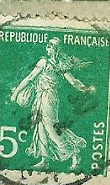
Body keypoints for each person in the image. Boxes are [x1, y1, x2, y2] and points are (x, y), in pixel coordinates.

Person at [10, 37, 96, 172]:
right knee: (41, 126)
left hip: (48, 97)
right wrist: (85, 88)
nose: (47, 48)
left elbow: (30, 78)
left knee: (50, 126)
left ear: (55, 49)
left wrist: (15, 94)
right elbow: (73, 82)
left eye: (49, 46)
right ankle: (45, 161)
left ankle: (73, 154)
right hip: (44, 97)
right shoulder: (58, 63)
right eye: (47, 46)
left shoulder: (45, 62)